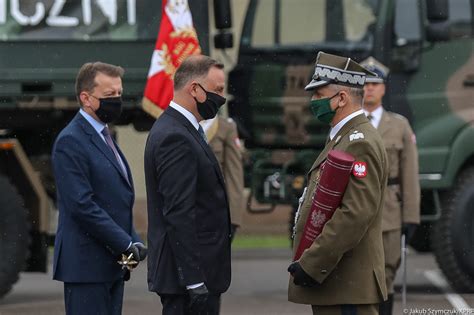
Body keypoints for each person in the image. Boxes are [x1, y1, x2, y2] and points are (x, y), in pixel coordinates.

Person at [287, 52, 389, 315]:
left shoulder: (359, 141)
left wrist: (312, 263)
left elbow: (354, 215)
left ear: (341, 98)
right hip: (338, 285)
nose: (313, 102)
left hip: (347, 285)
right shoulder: (343, 137)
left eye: (319, 96)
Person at [52, 62, 147, 315]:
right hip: (86, 268)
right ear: (86, 98)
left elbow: (115, 199)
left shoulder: (105, 135)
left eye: (119, 93)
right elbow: (82, 206)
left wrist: (134, 242)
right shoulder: (71, 141)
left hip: (111, 266)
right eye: (109, 95)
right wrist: (125, 243)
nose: (116, 100)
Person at [145, 55, 231, 315]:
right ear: (194, 89)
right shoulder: (175, 136)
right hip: (189, 281)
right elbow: (179, 212)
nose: (222, 98)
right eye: (217, 90)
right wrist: (194, 280)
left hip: (196, 276)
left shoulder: (186, 129)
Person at [361, 57, 420, 315]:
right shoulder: (350, 124)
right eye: (365, 83)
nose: (370, 88)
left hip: (389, 210)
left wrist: (411, 215)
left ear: (384, 88)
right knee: (359, 275)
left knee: (386, 273)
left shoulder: (398, 125)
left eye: (375, 83)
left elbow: (410, 173)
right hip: (357, 209)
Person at [201, 116, 245, 240]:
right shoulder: (178, 124)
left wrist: (233, 216)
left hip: (214, 209)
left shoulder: (225, 127)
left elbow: (233, 173)